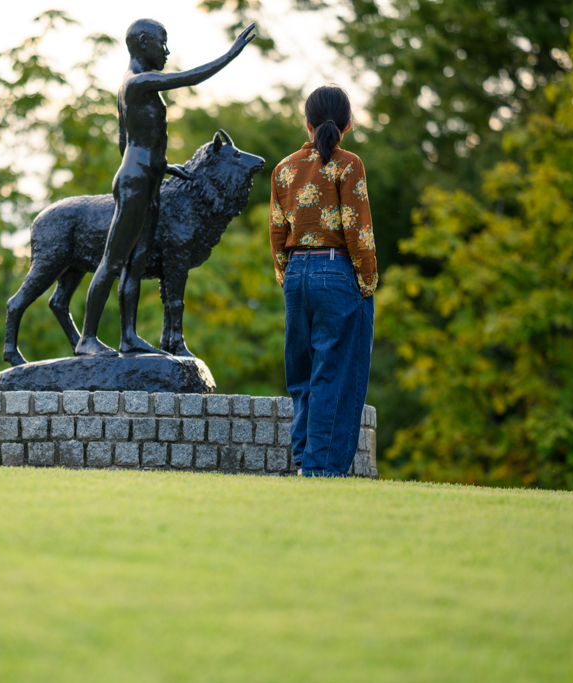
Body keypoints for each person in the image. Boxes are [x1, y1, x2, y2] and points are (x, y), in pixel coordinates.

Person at [74, 18, 256, 357]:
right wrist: (230, 55)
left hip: (148, 180)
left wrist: (159, 166)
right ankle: (87, 339)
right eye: (163, 42)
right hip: (136, 184)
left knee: (137, 261)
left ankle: (128, 337)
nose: (167, 51)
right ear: (143, 42)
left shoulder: (132, 87)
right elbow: (189, 78)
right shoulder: (138, 83)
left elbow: (125, 141)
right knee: (113, 261)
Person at [269, 85, 377, 477]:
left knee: (301, 372)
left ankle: (304, 459)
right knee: (335, 370)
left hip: (296, 275)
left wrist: (288, 277)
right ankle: (320, 469)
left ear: (307, 122)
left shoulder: (283, 168)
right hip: (337, 271)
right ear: (346, 125)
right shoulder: (349, 165)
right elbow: (358, 231)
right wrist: (367, 281)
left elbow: (277, 234)